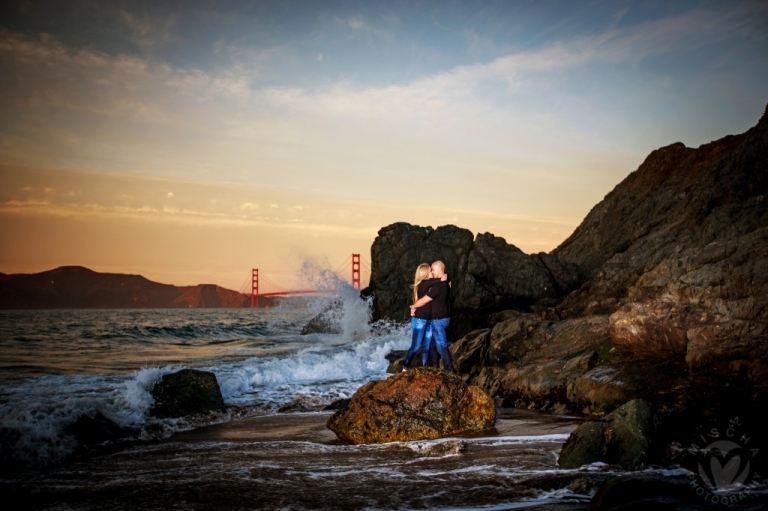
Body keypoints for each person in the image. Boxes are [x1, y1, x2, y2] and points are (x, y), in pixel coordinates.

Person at [410, 260, 454, 373]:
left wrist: (413, 307)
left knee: (441, 346)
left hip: (439, 319)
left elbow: (424, 300)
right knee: (433, 346)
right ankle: (434, 368)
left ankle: (449, 370)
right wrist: (446, 277)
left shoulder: (439, 286)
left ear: (439, 269)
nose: (431, 272)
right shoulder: (444, 283)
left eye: (433, 269)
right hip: (440, 319)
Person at [402, 263, 434, 371]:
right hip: (420, 320)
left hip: (429, 320)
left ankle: (425, 368)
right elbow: (438, 281)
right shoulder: (423, 284)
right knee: (415, 346)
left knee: (426, 347)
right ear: (425, 273)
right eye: (430, 271)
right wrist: (443, 278)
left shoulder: (429, 286)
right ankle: (405, 367)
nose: (432, 272)